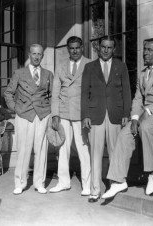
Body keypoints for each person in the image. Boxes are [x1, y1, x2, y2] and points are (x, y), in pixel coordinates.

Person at [101, 39, 153, 199]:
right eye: (144, 49)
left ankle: (152, 173)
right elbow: (138, 98)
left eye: (149, 50)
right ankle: (118, 181)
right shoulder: (143, 73)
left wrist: (147, 112)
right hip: (145, 112)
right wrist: (135, 117)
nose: (145, 52)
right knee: (125, 133)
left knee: (146, 127)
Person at [81, 36, 132, 203]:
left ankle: (114, 185)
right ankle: (94, 191)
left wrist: (126, 114)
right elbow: (84, 94)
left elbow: (126, 93)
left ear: (114, 49)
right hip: (95, 116)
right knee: (95, 154)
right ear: (98, 47)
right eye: (103, 47)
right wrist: (85, 115)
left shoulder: (121, 66)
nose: (105, 50)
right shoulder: (89, 67)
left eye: (109, 48)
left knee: (114, 153)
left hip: (115, 116)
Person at [4, 44, 53, 195]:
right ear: (29, 55)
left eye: (39, 54)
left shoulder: (48, 74)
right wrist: (16, 109)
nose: (37, 56)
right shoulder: (19, 73)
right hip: (24, 115)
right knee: (23, 150)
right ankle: (20, 182)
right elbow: (8, 93)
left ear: (42, 56)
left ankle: (39, 183)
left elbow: (51, 95)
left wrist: (48, 111)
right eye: (34, 54)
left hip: (42, 115)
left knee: (41, 150)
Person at [49, 36, 91, 196]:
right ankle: (63, 182)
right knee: (62, 148)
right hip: (64, 113)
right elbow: (55, 94)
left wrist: (90, 114)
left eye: (77, 48)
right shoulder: (61, 67)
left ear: (82, 48)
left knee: (83, 149)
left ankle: (87, 184)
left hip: (82, 114)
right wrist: (55, 115)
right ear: (68, 49)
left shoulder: (90, 65)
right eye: (71, 48)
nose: (74, 51)